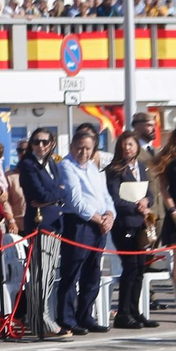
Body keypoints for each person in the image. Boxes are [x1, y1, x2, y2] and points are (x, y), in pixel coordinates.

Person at [58, 131, 114, 335]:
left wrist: (110, 215)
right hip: (79, 223)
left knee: (93, 273)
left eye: (88, 148)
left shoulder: (92, 166)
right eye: (80, 147)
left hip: (99, 223)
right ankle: (67, 319)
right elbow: (76, 200)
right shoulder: (66, 165)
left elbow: (105, 194)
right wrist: (99, 219)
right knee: (72, 272)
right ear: (72, 146)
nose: (83, 152)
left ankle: (85, 315)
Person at [19, 128, 71, 338]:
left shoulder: (53, 164)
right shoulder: (28, 164)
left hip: (55, 222)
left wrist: (56, 193)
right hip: (39, 225)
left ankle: (41, 318)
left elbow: (64, 190)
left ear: (52, 144)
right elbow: (38, 193)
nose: (40, 146)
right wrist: (56, 193)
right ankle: (40, 321)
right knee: (41, 274)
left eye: (45, 142)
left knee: (49, 275)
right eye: (36, 142)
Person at [106, 131, 156, 329]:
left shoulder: (141, 167)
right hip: (124, 223)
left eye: (131, 144)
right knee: (130, 267)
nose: (128, 148)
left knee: (140, 269)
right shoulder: (114, 170)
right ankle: (123, 313)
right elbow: (114, 198)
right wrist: (135, 205)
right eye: (124, 144)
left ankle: (135, 311)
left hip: (141, 224)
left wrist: (147, 202)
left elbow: (150, 192)